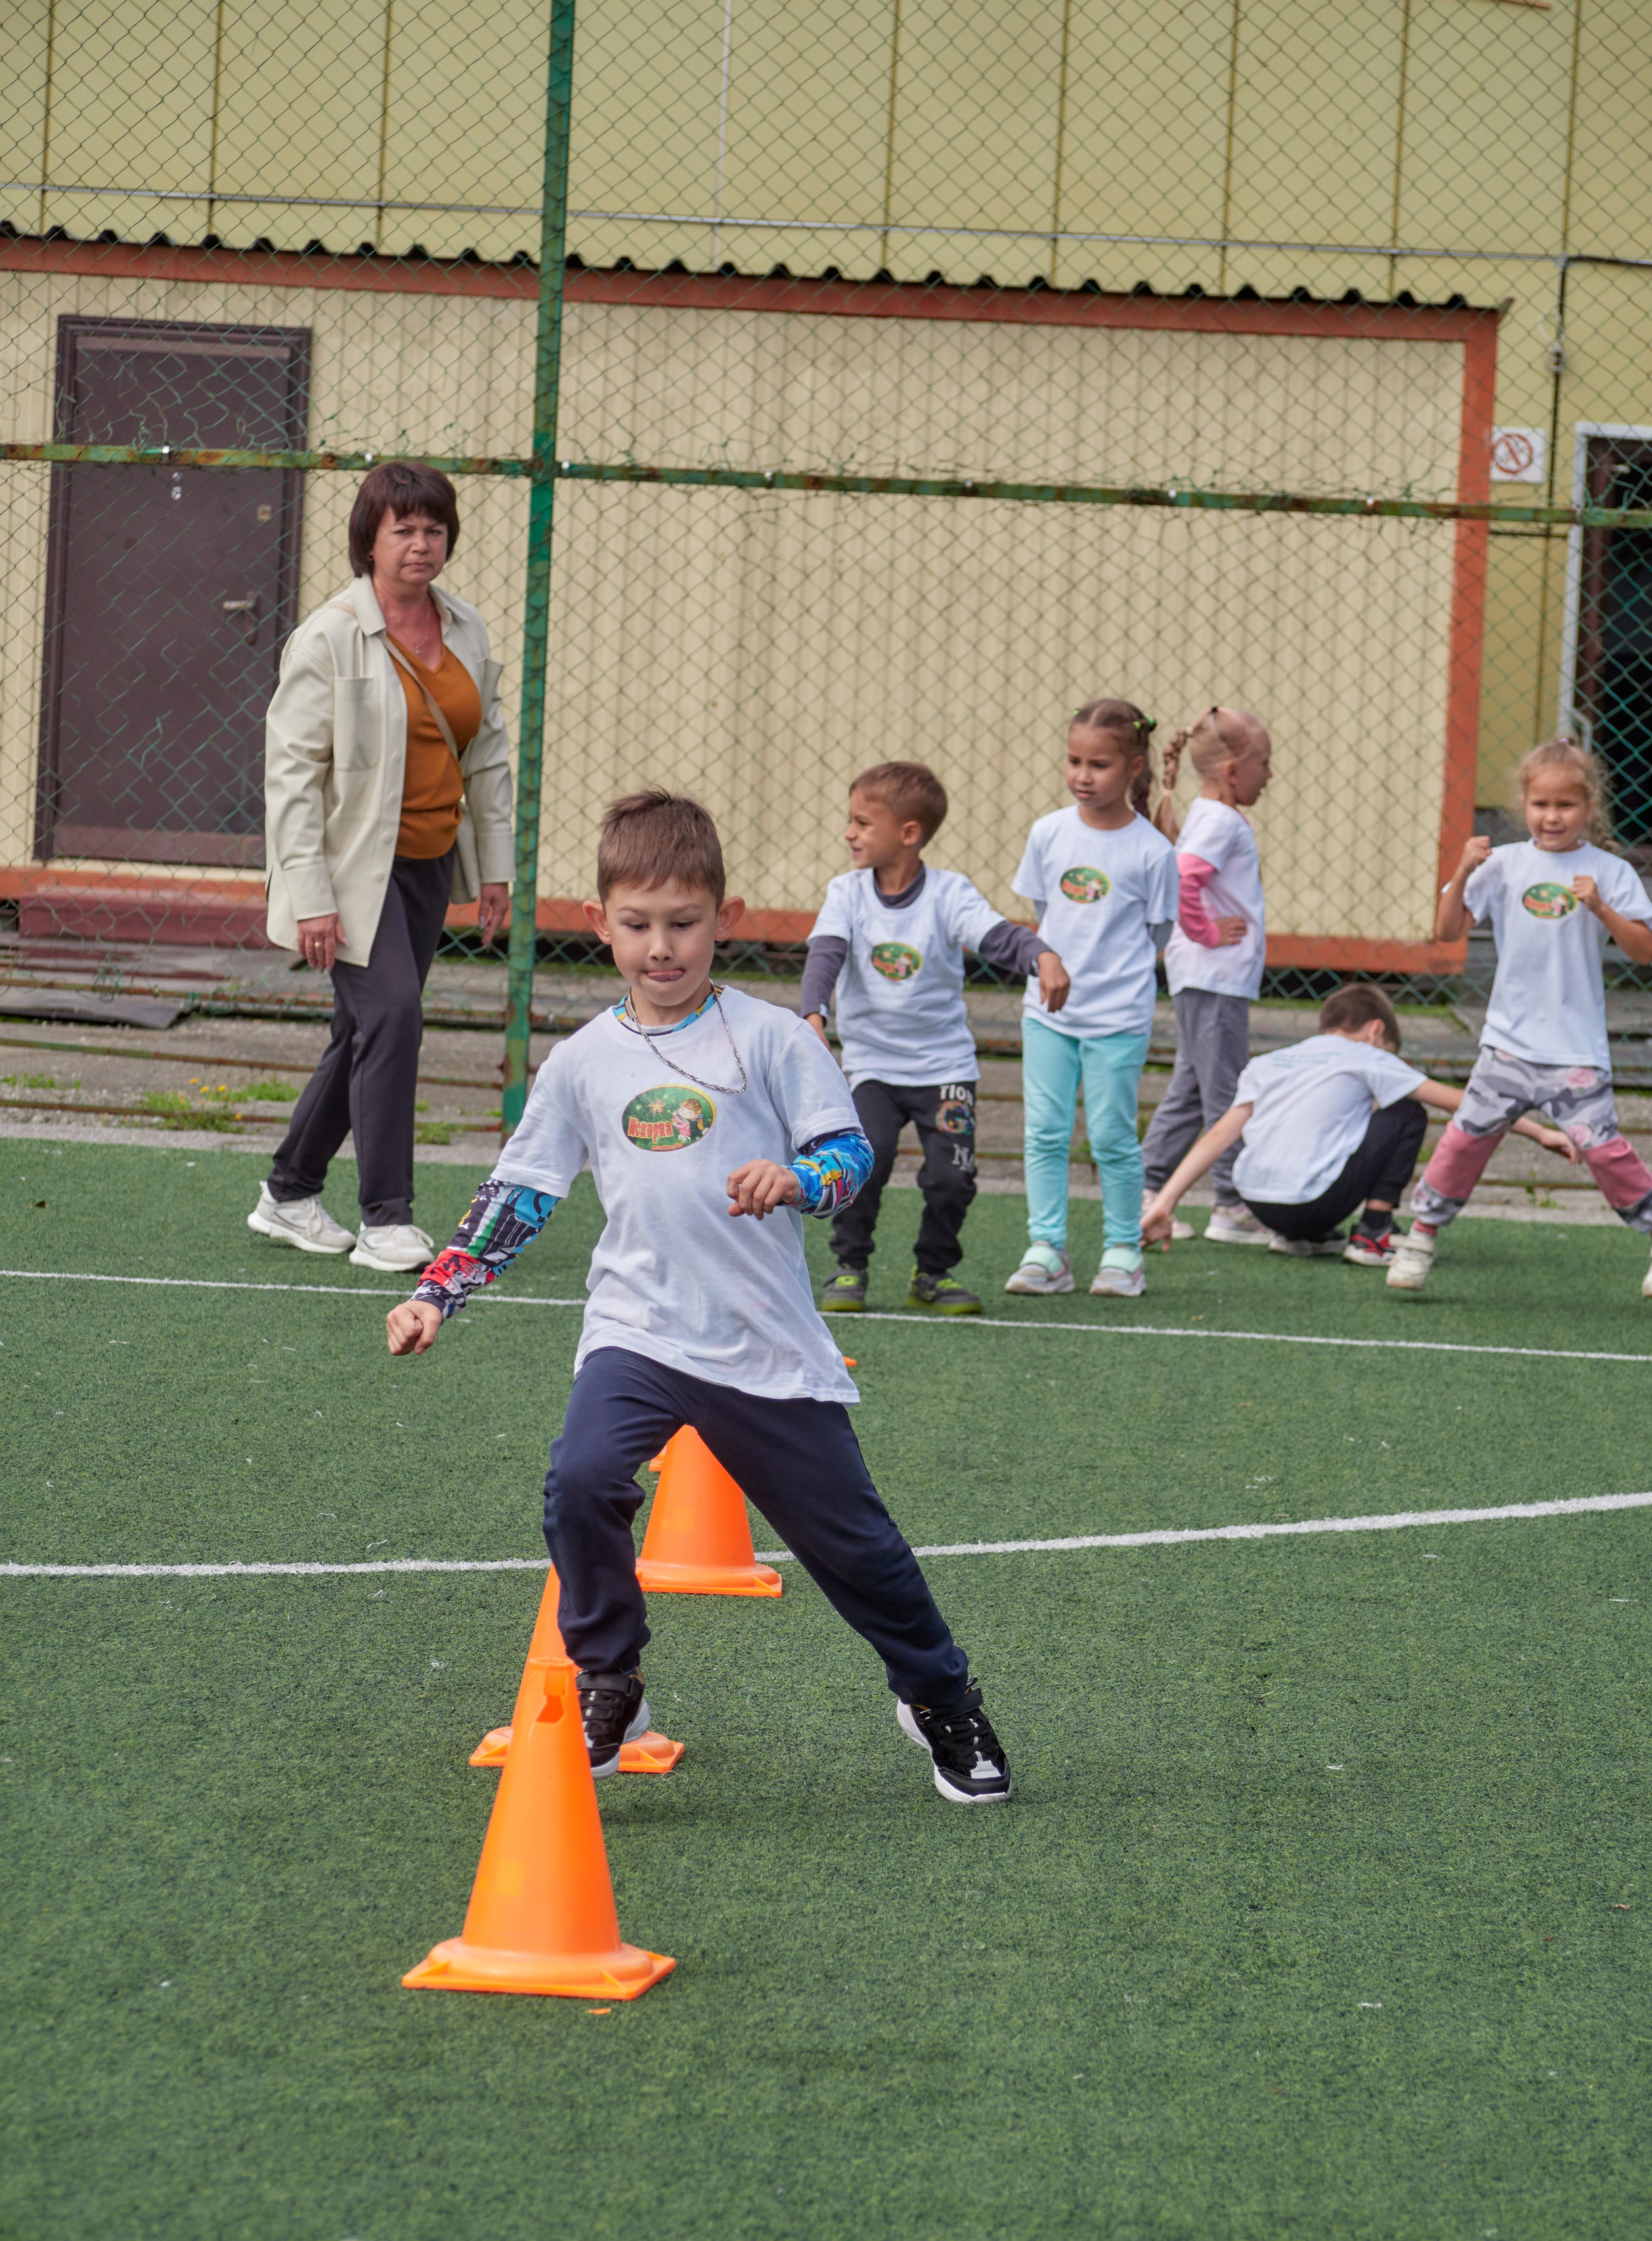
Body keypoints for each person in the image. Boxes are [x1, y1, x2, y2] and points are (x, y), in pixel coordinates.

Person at [385, 791, 1013, 1806]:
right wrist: (439, 1292)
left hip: (762, 1344)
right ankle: (612, 1678)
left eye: (683, 924)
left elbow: (849, 1153)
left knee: (858, 1549)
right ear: (602, 924)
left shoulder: (770, 1039)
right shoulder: (586, 1062)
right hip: (637, 1330)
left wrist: (799, 1182)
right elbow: (521, 1190)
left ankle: (941, 1695)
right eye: (637, 926)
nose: (661, 947)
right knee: (580, 1482)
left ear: (723, 917)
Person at [251, 461, 513, 1273]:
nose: (421, 544)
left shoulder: (464, 626)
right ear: (370, 539)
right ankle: (386, 1217)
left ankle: (288, 1192)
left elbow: (490, 753)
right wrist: (312, 898)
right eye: (403, 529)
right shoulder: (329, 635)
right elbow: (290, 776)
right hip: (349, 874)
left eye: (434, 529)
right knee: (394, 1014)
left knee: (362, 1028)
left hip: (432, 863)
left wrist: (497, 869)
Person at [1389, 737, 1652, 1297]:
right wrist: (1463, 866)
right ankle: (1421, 1237)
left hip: (1574, 1051)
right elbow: (1449, 930)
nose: (1552, 817)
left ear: (1588, 807)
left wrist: (1600, 907)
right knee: (1463, 1141)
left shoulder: (1610, 872)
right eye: (1541, 805)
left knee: (1602, 1149)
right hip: (1506, 1047)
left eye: (1566, 805)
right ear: (1524, 805)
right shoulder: (1502, 864)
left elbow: (1644, 949)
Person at [799, 760, 1070, 1315]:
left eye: (862, 823)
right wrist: (813, 1014)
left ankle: (933, 1271)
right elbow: (825, 954)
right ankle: (850, 1267)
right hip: (871, 1067)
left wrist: (1040, 954)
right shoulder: (845, 894)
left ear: (909, 833)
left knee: (953, 1176)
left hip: (945, 1068)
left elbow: (997, 936)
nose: (849, 833)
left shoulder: (950, 894)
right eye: (849, 821)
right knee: (862, 1162)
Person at [1141, 984, 1576, 1261]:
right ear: (1374, 1031)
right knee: (1408, 1111)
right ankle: (1373, 1233)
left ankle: (1301, 1237)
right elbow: (1463, 1103)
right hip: (1313, 1201)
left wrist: (1165, 1202)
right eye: (1388, 1047)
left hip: (1258, 1203)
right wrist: (1538, 1130)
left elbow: (1218, 1134)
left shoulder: (1270, 1061)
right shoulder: (1367, 1054)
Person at [1004, 699, 1179, 1300]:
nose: (1083, 775)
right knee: (1045, 1133)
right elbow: (1044, 918)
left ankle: (1123, 1251)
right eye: (1074, 760)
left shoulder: (1153, 851)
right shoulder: (1048, 833)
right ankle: (1047, 1249)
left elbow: (1158, 935)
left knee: (1110, 1137)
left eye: (1099, 764)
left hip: (1117, 1020)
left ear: (1133, 766)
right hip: (1048, 1015)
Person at [1141, 706, 1274, 1248]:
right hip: (1215, 977)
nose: (1270, 774)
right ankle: (1231, 1201)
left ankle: (1146, 1187)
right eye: (1264, 762)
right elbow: (1184, 879)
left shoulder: (1211, 814)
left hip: (1211, 978)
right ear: (1234, 770)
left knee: (1194, 1088)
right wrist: (1208, 934)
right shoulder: (1219, 820)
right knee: (1227, 1091)